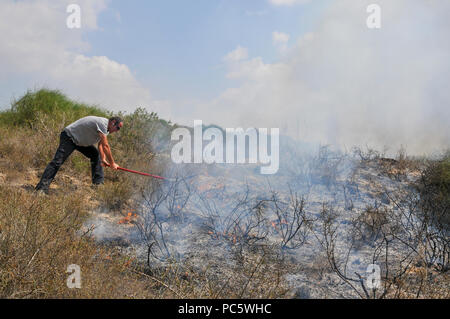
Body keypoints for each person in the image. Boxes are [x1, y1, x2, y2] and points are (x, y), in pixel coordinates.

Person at [35, 115, 123, 194]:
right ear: (113, 122)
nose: (117, 131)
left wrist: (103, 159)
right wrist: (112, 163)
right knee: (57, 161)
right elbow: (106, 146)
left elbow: (100, 144)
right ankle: (41, 188)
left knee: (95, 155)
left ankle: (98, 184)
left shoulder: (106, 129)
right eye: (118, 128)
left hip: (79, 143)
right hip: (69, 138)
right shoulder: (103, 123)